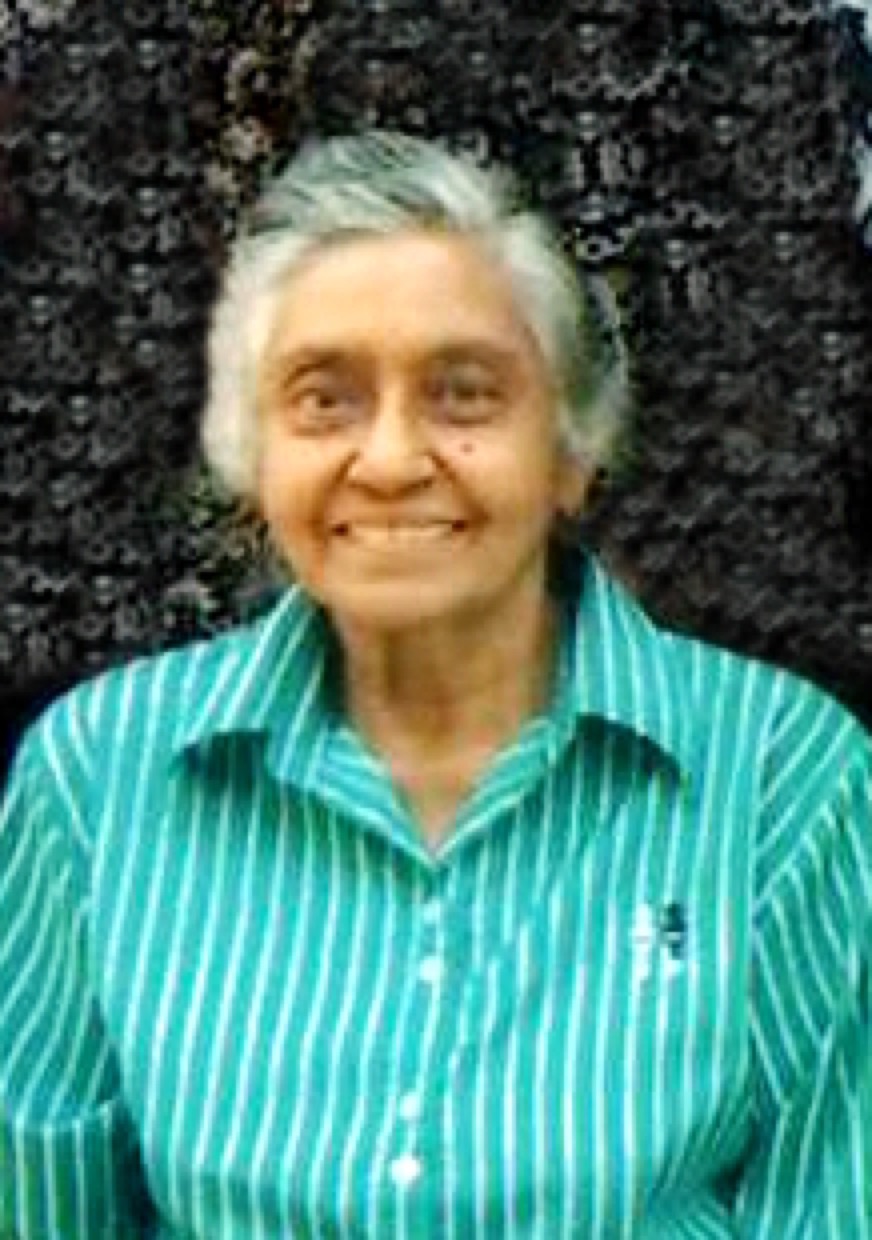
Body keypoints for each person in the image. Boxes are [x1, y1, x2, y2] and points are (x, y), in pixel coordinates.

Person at [1, 131, 870, 1239]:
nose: (391, 459)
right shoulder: (96, 777)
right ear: (252, 453)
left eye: (463, 396)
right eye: (324, 400)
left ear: (571, 451)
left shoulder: (782, 776)